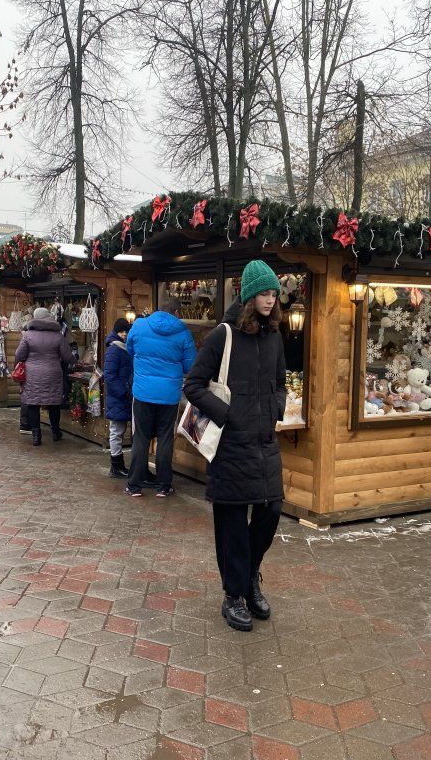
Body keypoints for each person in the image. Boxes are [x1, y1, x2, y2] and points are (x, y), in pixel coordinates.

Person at [184, 260, 286, 633]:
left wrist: (275, 409)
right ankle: (233, 594)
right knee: (231, 524)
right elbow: (193, 385)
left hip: (264, 443)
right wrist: (228, 415)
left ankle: (250, 577)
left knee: (271, 511)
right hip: (230, 447)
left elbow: (280, 381)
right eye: (263, 293)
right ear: (248, 295)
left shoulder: (274, 335)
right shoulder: (222, 336)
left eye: (274, 294)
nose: (270, 300)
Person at [124, 298, 196, 498]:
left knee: (141, 437)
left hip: (143, 392)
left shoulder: (139, 326)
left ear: (158, 310)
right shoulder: (183, 332)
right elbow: (191, 366)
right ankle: (163, 486)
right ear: (177, 312)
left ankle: (134, 485)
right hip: (169, 395)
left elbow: (130, 349)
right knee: (165, 438)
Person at [15, 307, 75, 446]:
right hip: (53, 373)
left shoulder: (27, 336)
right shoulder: (58, 335)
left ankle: (36, 435)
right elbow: (67, 356)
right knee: (53, 403)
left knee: (33, 403)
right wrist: (75, 361)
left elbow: (19, 354)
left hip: (32, 374)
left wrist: (19, 366)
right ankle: (55, 432)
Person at [102, 318, 133, 478]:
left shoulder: (127, 347)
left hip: (125, 396)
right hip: (119, 397)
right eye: (121, 331)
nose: (124, 335)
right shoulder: (114, 349)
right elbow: (110, 376)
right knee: (116, 431)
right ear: (116, 332)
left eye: (126, 331)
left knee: (122, 431)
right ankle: (116, 466)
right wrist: (124, 392)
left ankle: (119, 465)